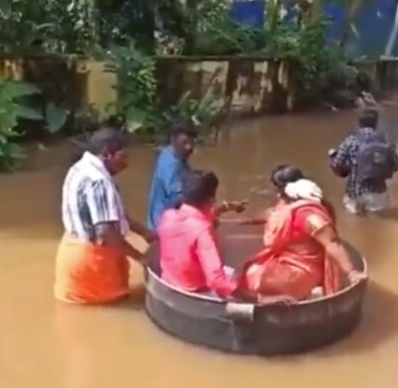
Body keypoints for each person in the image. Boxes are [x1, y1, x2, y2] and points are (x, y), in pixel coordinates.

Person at [54, 127, 157, 305]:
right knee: (114, 312)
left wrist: (144, 232)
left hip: (72, 252)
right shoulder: (99, 180)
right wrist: (141, 258)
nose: (126, 163)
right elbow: (106, 231)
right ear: (107, 154)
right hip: (93, 262)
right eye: (123, 157)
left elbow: (113, 213)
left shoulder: (79, 168)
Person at [239, 165, 367, 303]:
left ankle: (293, 297)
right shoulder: (291, 207)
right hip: (289, 259)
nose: (277, 195)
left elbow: (332, 243)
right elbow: (272, 215)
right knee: (252, 271)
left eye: (279, 190)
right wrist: (246, 221)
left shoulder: (310, 217)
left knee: (258, 280)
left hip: (304, 267)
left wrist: (351, 272)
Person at [158, 170, 254, 301]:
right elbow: (217, 281)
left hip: (170, 282)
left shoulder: (167, 216)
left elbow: (203, 215)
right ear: (211, 199)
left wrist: (227, 207)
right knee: (244, 281)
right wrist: (257, 299)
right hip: (196, 293)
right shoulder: (202, 230)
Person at [329, 108, 398, 215]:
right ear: (376, 124)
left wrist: (332, 156)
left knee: (353, 224)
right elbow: (396, 166)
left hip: (354, 192)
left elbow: (338, 165)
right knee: (378, 226)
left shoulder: (350, 140)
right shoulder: (385, 141)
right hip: (378, 192)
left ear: (359, 123)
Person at [146, 122, 197, 231]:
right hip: (164, 224)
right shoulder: (172, 164)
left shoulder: (170, 153)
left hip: (159, 218)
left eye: (192, 143)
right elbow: (177, 198)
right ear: (173, 140)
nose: (189, 147)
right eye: (185, 142)